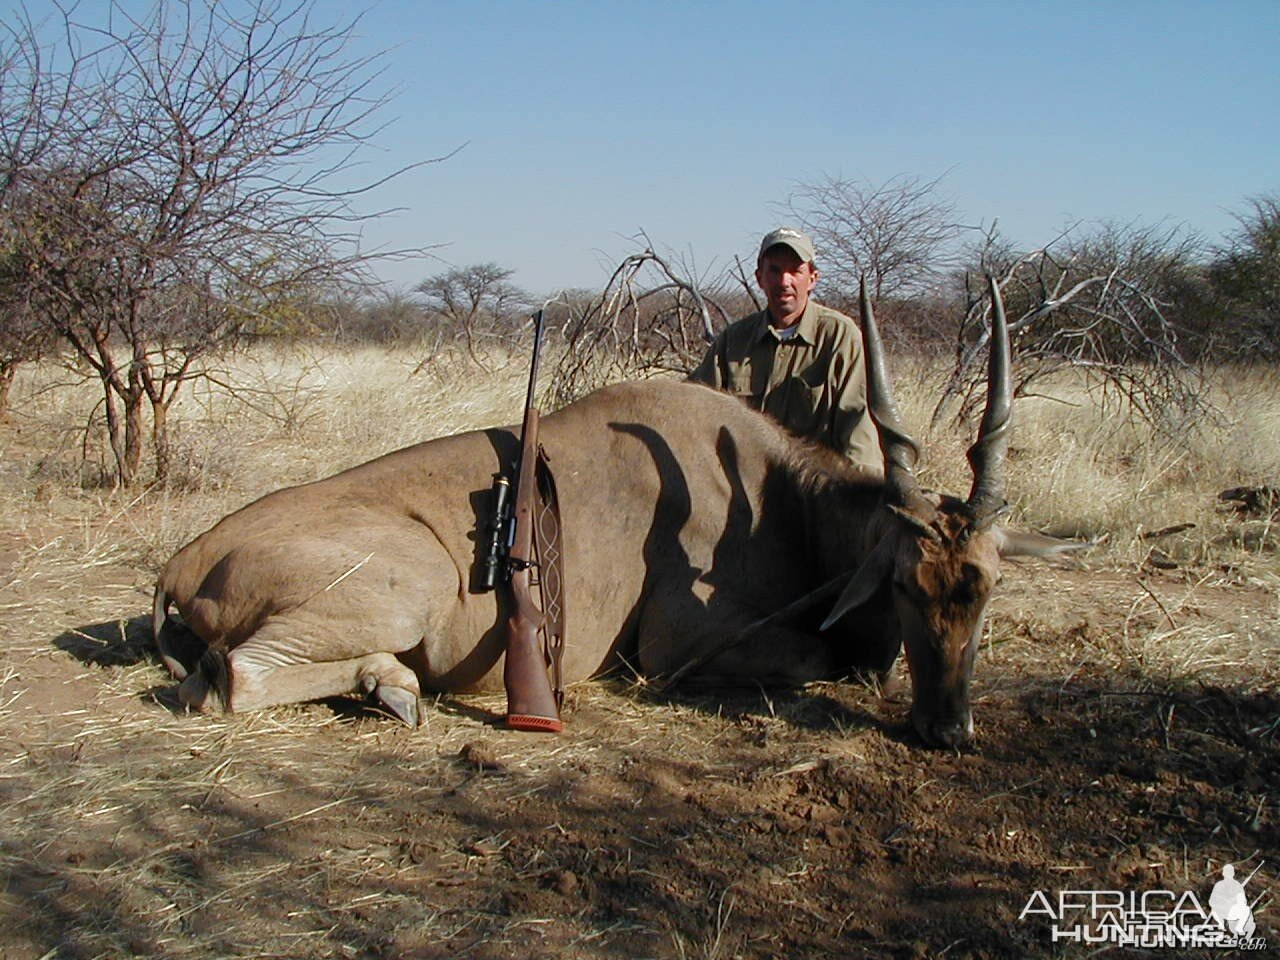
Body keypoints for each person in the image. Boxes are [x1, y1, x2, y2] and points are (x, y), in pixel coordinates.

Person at [689, 227, 880, 470]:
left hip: (814, 490)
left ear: (812, 278)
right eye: (775, 271)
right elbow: (694, 407)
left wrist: (859, 496)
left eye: (795, 271)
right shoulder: (734, 340)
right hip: (742, 485)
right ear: (760, 278)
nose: (784, 281)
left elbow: (859, 428)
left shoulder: (840, 336)